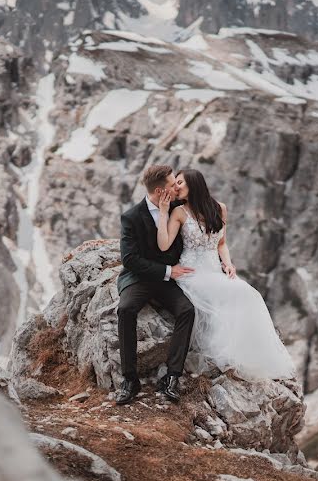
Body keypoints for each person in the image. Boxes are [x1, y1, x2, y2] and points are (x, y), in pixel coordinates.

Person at [155, 168, 296, 381]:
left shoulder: (220, 209)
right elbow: (164, 245)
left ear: (194, 184)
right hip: (192, 272)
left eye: (180, 183)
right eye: (175, 184)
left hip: (214, 270)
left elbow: (221, 243)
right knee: (233, 295)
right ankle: (222, 355)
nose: (175, 187)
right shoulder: (179, 212)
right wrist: (164, 212)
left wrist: (228, 264)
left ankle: (248, 354)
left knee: (249, 294)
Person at [115, 164, 196, 405]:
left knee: (187, 311)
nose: (177, 187)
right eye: (172, 185)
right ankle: (130, 379)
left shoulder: (178, 208)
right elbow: (129, 259)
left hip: (168, 281)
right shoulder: (131, 217)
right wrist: (168, 271)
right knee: (125, 310)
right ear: (160, 191)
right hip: (140, 278)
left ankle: (172, 376)